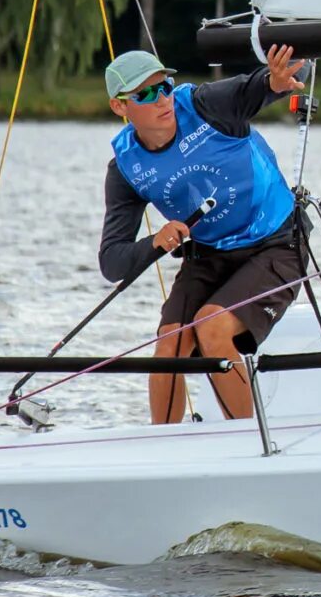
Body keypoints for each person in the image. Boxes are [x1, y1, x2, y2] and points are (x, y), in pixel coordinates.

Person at [98, 44, 309, 424]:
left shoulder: (205, 104)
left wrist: (276, 81)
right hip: (211, 254)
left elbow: (261, 85)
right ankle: (163, 450)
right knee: (170, 342)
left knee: (212, 327)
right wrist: (155, 242)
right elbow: (112, 262)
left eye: (164, 87)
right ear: (120, 107)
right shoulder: (125, 169)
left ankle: (249, 441)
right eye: (145, 94)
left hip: (276, 242)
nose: (161, 99)